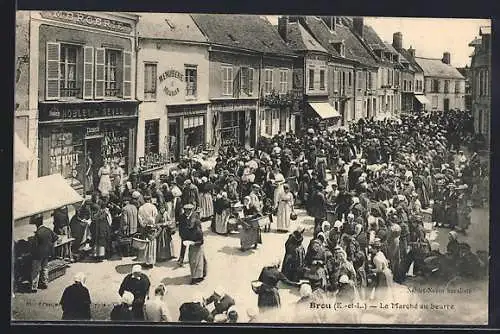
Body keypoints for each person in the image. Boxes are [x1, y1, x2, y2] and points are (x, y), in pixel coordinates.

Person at [30, 215, 59, 293]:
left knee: (36, 271)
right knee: (45, 268)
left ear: (37, 224)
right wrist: (52, 246)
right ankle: (45, 283)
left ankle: (34, 287)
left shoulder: (38, 233)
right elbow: (56, 238)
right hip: (47, 253)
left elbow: (35, 245)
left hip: (38, 255)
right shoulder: (48, 230)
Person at [182, 204, 207, 284]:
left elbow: (201, 241)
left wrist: (193, 243)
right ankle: (196, 277)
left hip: (197, 247)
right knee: (193, 262)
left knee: (197, 263)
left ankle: (196, 278)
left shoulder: (198, 231)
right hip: (192, 246)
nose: (190, 225)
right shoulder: (191, 228)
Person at [137, 195, 159, 268]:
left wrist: (143, 225)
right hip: (152, 227)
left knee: (145, 244)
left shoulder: (141, 208)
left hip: (145, 227)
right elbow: (156, 216)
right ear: (150, 200)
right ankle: (151, 261)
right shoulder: (153, 207)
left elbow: (140, 218)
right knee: (152, 243)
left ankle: (145, 261)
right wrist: (153, 223)